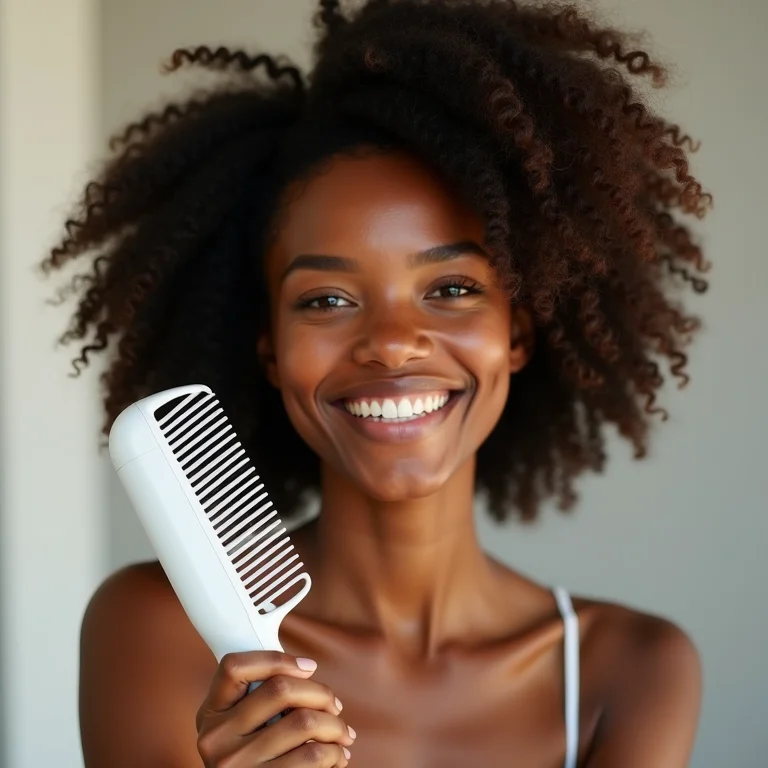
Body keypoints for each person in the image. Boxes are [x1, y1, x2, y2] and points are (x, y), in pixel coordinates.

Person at [43, 1, 711, 765]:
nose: (392, 344)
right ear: (270, 350)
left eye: (452, 289)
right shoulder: (154, 626)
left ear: (517, 334)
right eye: (327, 300)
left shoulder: (632, 670)